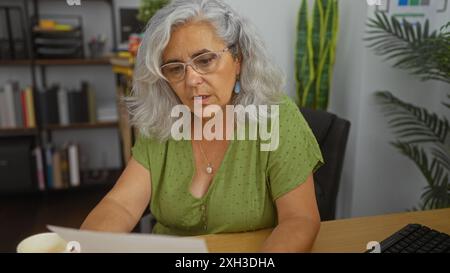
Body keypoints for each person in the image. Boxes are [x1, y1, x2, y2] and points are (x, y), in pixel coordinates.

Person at [81, 0, 324, 253]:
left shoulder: (276, 116)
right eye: (176, 68)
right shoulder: (163, 119)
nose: (192, 80)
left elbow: (300, 219)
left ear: (238, 59)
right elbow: (121, 205)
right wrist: (86, 246)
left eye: (205, 60)